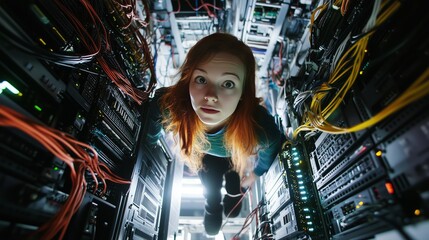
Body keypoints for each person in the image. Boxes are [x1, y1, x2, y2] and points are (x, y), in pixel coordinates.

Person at [147, 32, 284, 235]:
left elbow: (273, 143)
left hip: (234, 151)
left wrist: (256, 173)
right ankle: (214, 206)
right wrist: (151, 147)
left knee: (232, 181)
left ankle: (232, 194)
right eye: (201, 79)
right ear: (188, 81)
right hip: (203, 156)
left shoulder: (257, 125)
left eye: (228, 84)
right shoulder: (171, 104)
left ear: (242, 93)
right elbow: (152, 122)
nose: (210, 96)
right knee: (210, 189)